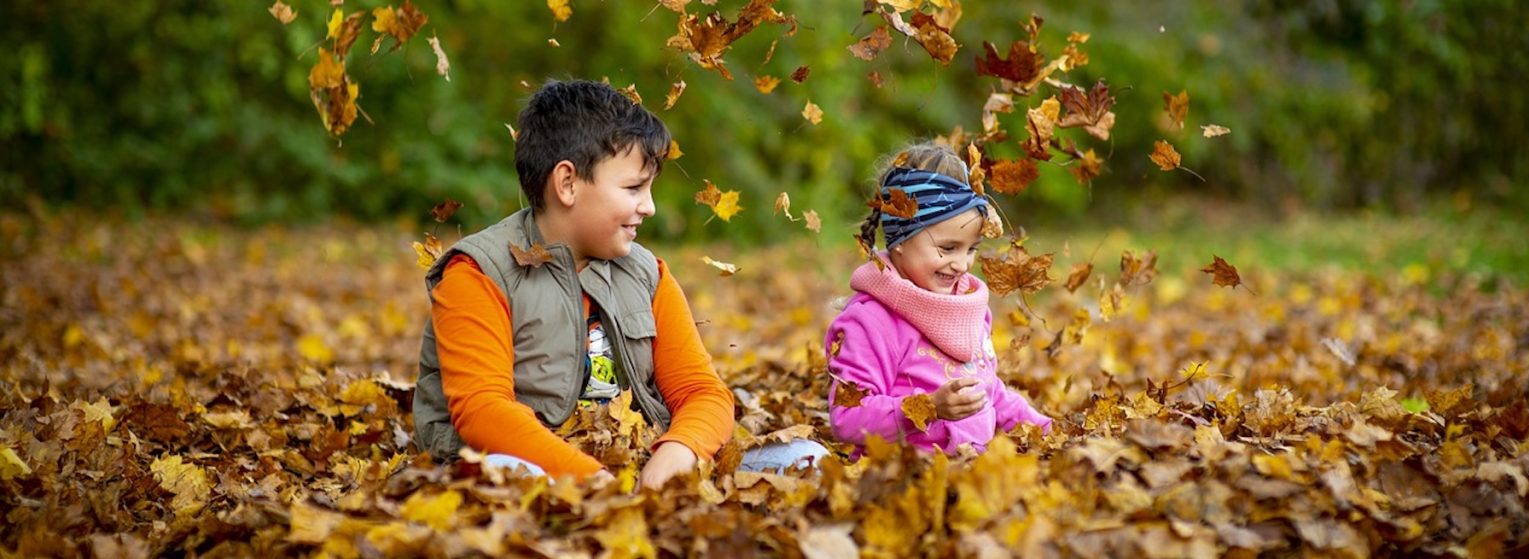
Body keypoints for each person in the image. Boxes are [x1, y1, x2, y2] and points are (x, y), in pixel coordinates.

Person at [414, 79, 816, 489]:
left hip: (641, 461)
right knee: (509, 474)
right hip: (539, 468)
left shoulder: (646, 273)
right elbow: (483, 411)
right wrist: (591, 479)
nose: (650, 206)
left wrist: (679, 451)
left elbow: (702, 391)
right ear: (567, 184)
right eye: (634, 188)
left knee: (807, 457)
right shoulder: (479, 273)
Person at [825, 142, 1053, 458]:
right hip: (904, 477)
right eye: (947, 248)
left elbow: (988, 391)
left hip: (972, 473)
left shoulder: (968, 306)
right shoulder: (871, 321)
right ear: (900, 239)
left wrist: (1046, 431)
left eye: (970, 249)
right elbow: (847, 418)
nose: (961, 264)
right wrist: (927, 409)